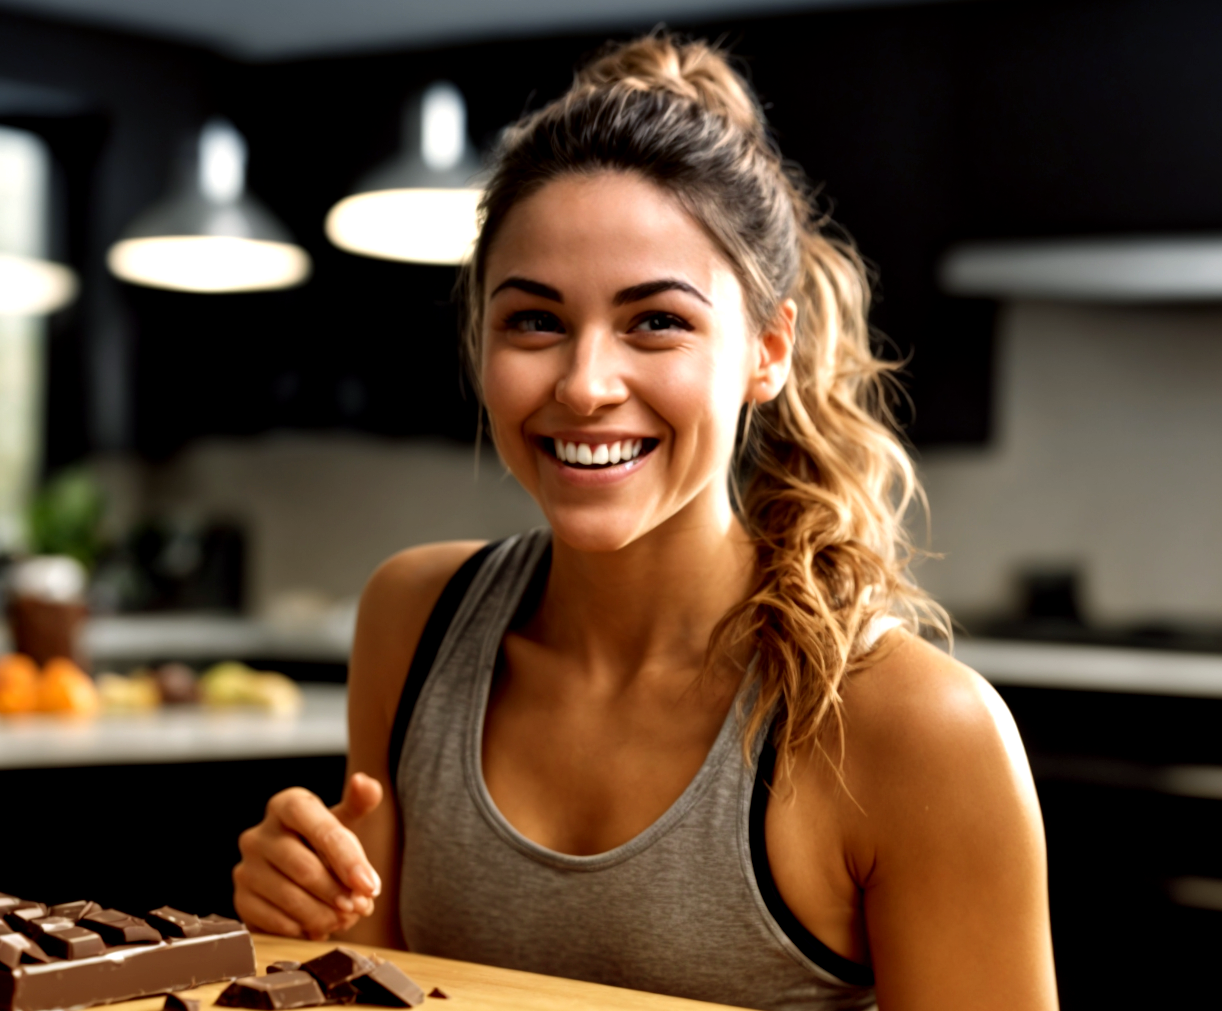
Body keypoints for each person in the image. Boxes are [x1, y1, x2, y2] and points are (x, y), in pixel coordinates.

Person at [232, 33, 1055, 1011]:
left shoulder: (916, 730)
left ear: (767, 348)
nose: (584, 386)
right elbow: (381, 988)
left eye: (655, 321)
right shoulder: (413, 621)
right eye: (534, 320)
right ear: (478, 339)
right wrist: (302, 921)